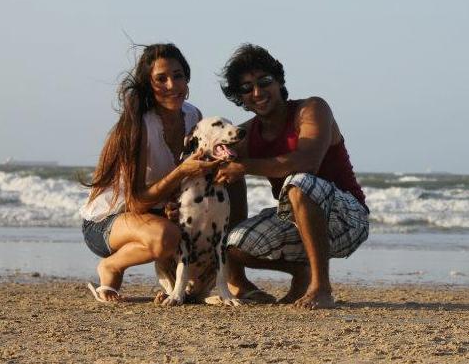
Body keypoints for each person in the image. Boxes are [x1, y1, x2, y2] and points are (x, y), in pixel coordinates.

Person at [215, 44, 369, 309]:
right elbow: (211, 168)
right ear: (240, 97)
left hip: (348, 220)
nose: (257, 92)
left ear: (279, 81)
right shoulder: (245, 134)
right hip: (297, 222)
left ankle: (321, 288)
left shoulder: (311, 109)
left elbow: (308, 162)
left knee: (299, 182)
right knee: (234, 243)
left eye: (264, 81)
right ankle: (253, 279)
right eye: (247, 88)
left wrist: (245, 165)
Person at [80, 43, 223, 302]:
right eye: (161, 79)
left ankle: (230, 275)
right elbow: (136, 201)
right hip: (107, 222)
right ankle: (111, 266)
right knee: (166, 236)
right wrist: (180, 172)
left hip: (151, 215)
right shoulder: (140, 124)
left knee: (226, 181)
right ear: (148, 84)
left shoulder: (194, 116)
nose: (172, 85)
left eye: (178, 76)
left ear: (187, 79)